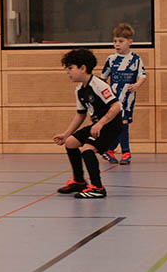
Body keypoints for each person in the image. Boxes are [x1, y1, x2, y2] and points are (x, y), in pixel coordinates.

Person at [53, 48, 123, 199]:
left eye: (70, 68)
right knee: (71, 143)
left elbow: (116, 106)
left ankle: (97, 188)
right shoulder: (79, 90)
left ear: (83, 68)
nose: (68, 72)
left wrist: (100, 124)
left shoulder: (99, 85)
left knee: (87, 149)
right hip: (98, 125)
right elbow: (80, 115)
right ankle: (79, 181)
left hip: (111, 125)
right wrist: (66, 134)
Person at [99, 23, 147, 165]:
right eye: (115, 41)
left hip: (129, 98)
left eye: (121, 41)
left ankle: (109, 149)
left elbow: (142, 75)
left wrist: (137, 84)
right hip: (115, 99)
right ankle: (126, 152)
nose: (117, 44)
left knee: (122, 125)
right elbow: (102, 78)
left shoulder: (136, 59)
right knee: (123, 123)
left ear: (130, 42)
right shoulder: (111, 59)